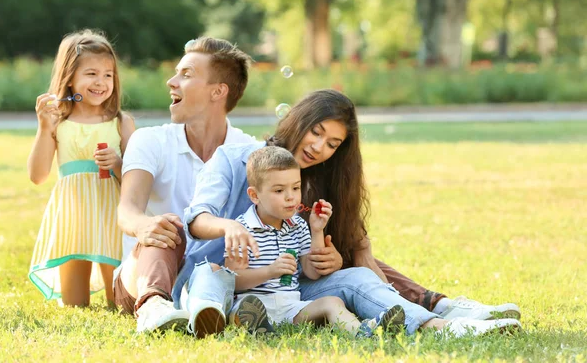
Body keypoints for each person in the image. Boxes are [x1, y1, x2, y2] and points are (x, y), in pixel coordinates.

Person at [183, 89, 522, 337]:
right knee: (211, 273)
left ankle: (443, 325)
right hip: (225, 281)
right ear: (299, 120)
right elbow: (197, 219)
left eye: (332, 144)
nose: (319, 147)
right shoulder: (233, 158)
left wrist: (324, 258)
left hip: (288, 293)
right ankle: (209, 318)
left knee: (358, 276)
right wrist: (229, 227)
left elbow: (325, 261)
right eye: (316, 132)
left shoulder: (318, 185)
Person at [114, 37, 272, 336]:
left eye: (186, 75)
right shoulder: (151, 140)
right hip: (144, 272)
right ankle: (153, 307)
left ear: (218, 91)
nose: (171, 82)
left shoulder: (249, 152)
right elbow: (127, 210)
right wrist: (144, 226)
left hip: (212, 279)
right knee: (170, 226)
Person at [225, 146, 406, 337]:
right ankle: (259, 326)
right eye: (279, 190)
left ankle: (364, 333)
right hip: (252, 305)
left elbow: (312, 272)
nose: (290, 197)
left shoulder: (298, 227)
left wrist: (317, 230)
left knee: (331, 302)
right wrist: (270, 271)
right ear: (254, 195)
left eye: (296, 188)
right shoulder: (241, 229)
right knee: (244, 310)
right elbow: (234, 281)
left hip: (290, 307)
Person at [28, 29, 135, 307]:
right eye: (91, 74)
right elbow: (38, 176)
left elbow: (138, 182)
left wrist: (118, 164)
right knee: (76, 305)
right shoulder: (58, 122)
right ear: (70, 78)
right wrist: (43, 129)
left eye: (108, 75)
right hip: (73, 219)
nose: (101, 82)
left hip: (114, 218)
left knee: (123, 303)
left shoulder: (122, 122)